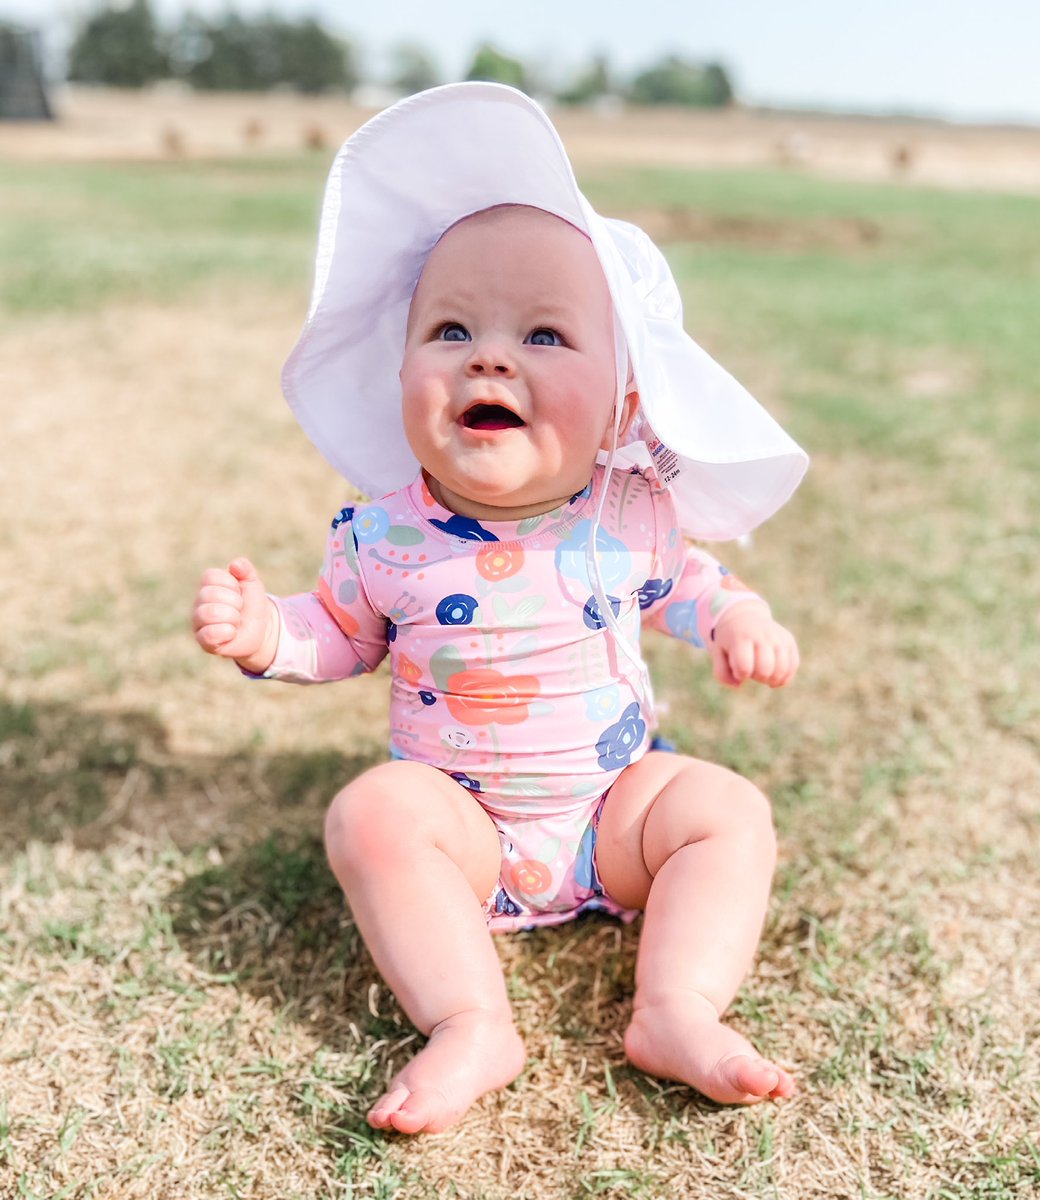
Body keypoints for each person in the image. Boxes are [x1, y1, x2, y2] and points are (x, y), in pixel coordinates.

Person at [191, 84, 809, 1136]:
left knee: (724, 809)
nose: (490, 356)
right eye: (451, 328)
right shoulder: (383, 535)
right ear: (402, 374)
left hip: (613, 817)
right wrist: (268, 637)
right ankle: (471, 1021)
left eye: (545, 336)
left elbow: (691, 585)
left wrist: (737, 619)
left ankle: (677, 1007)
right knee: (373, 813)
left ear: (623, 401)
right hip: (465, 830)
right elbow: (340, 636)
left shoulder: (628, 511)